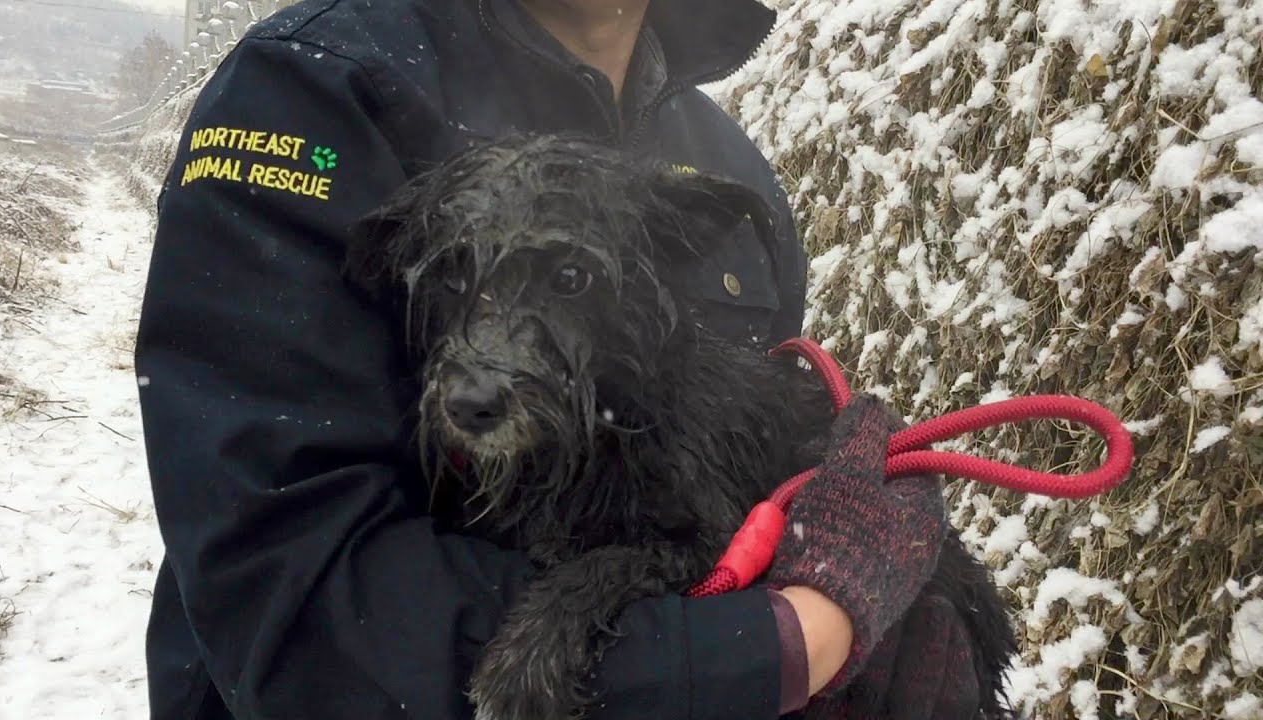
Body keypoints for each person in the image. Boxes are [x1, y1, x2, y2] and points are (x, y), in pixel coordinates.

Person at [135, 1, 975, 718]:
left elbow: (728, 483)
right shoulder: (315, 92)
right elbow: (293, 603)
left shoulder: (726, 168)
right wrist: (793, 645)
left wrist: (878, 565)